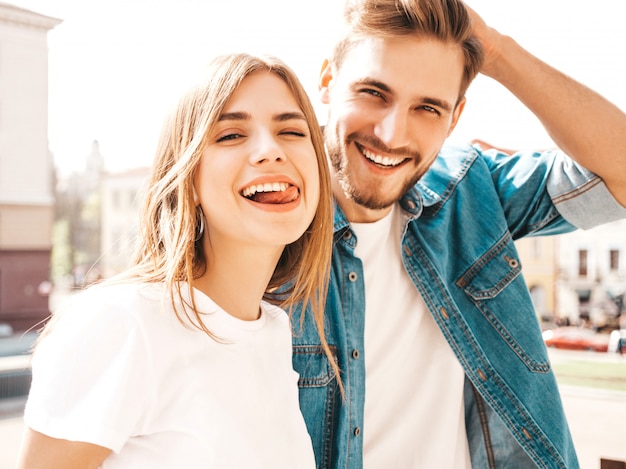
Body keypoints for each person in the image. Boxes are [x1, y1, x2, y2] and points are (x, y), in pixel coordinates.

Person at [290, 0, 626, 468]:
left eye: (428, 107)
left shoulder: (470, 191)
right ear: (327, 82)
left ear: (456, 116)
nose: (391, 133)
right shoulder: (260, 221)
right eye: (373, 92)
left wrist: (498, 52)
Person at [17, 52, 339, 468]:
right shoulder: (124, 324)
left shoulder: (274, 332)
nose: (269, 150)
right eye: (230, 135)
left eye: (292, 131)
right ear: (188, 179)